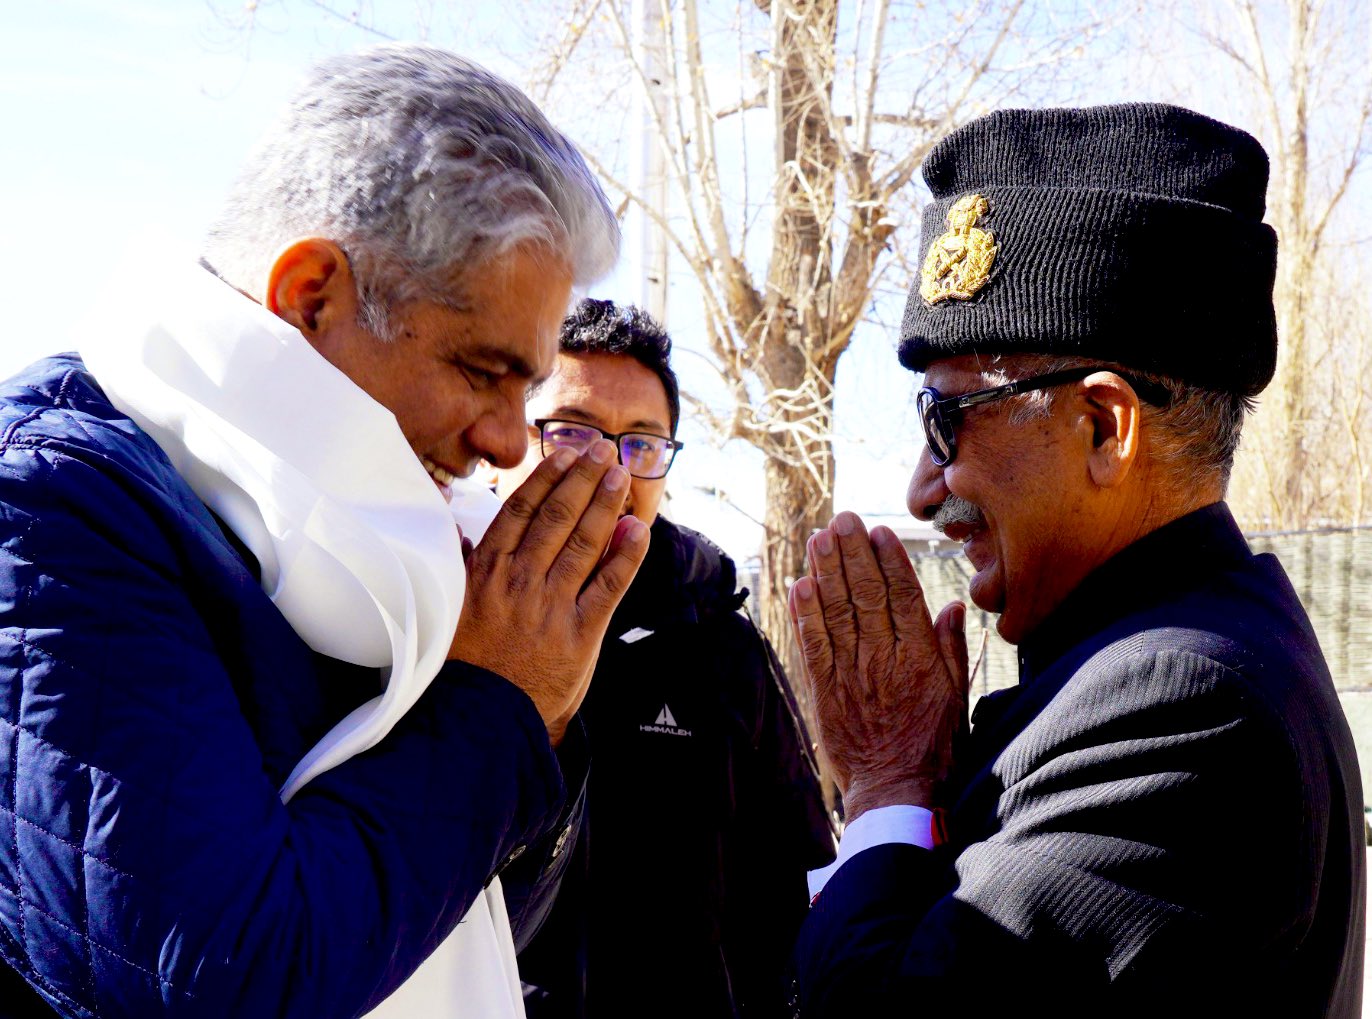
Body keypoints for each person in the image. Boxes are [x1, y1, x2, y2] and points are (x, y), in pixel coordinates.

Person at [0, 44, 648, 1019]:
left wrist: (540, 710)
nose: (509, 440)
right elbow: (221, 977)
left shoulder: (392, 548)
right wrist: (497, 704)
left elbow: (456, 930)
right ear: (311, 295)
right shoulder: (51, 511)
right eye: (483, 371)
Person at [788, 103, 1365, 1016]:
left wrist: (889, 787)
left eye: (947, 421)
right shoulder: (1187, 651)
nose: (923, 489)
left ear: (1103, 426)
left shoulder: (1182, 705)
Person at [491, 299, 835, 1018]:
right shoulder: (448, 614)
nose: (610, 472)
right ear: (512, 439)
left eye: (641, 443)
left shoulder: (720, 640)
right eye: (574, 433)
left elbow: (791, 886)